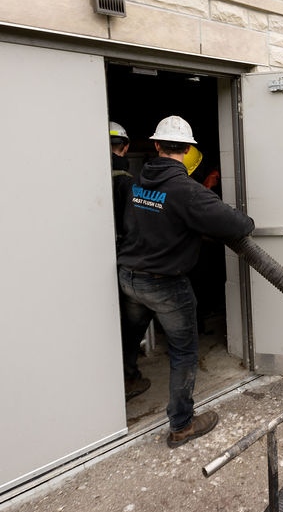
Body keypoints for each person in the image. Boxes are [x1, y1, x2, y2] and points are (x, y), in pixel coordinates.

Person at [117, 115, 255, 448]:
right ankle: (181, 425)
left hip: (129, 278)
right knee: (184, 353)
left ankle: (128, 380)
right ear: (190, 149)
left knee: (131, 333)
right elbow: (240, 225)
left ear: (156, 145)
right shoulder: (186, 191)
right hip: (164, 284)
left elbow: (156, 217)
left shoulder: (136, 181)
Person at [109, 122, 152, 401]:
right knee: (132, 318)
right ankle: (127, 376)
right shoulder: (127, 182)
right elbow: (136, 226)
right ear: (125, 147)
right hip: (124, 259)